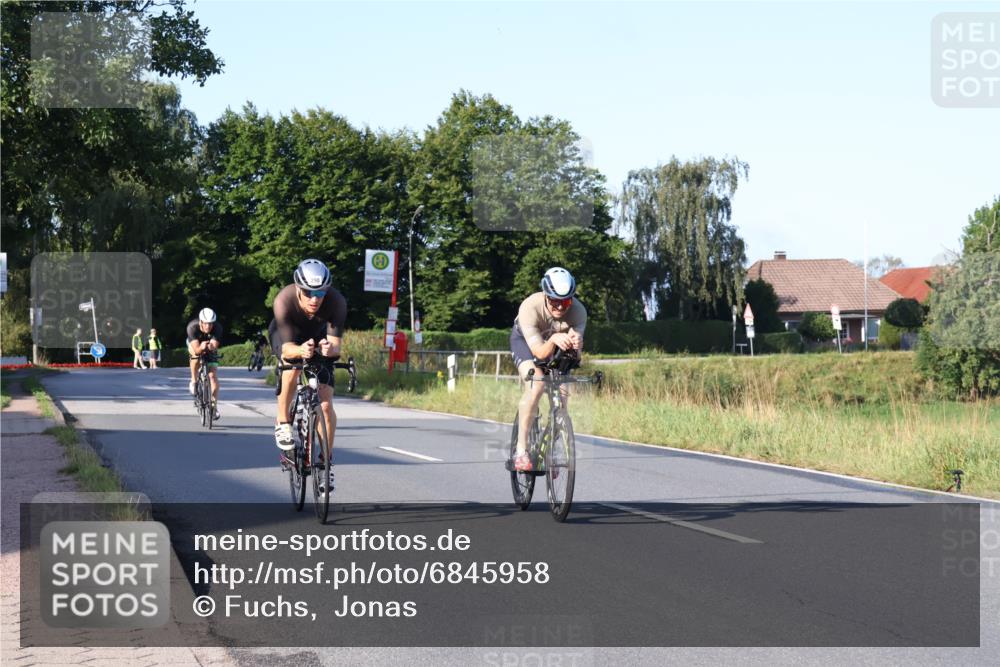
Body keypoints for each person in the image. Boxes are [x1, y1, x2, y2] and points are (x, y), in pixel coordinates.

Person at [270, 259, 346, 494]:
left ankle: (325, 462)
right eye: (309, 292)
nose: (315, 298)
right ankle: (283, 423)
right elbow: (287, 348)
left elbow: (336, 347)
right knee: (291, 368)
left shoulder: (336, 302)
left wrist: (327, 350)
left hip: (318, 335)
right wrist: (301, 351)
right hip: (288, 336)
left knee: (324, 404)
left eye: (321, 292)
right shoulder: (284, 300)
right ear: (298, 289)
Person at [508, 267, 587, 472]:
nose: (560, 307)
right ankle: (521, 450)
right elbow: (540, 353)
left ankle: (552, 449)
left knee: (562, 395)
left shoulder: (578, 312)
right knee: (536, 385)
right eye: (554, 301)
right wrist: (552, 338)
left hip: (556, 345)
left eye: (566, 302)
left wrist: (578, 346)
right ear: (545, 295)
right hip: (526, 343)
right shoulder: (530, 307)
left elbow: (576, 359)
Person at [186, 308, 223, 420]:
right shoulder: (192, 327)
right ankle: (193, 380)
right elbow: (197, 350)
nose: (208, 326)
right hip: (194, 343)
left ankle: (213, 407)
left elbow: (214, 346)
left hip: (209, 345)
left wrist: (210, 347)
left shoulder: (217, 328)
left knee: (212, 376)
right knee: (195, 357)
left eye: (210, 324)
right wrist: (200, 348)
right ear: (201, 322)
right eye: (205, 323)